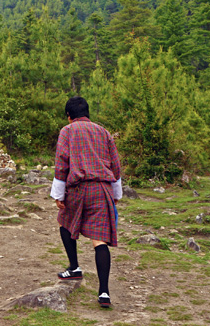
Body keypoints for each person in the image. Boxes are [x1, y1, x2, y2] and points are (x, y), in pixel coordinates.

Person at [50, 96, 122, 308]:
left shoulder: (67, 131)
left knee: (65, 223)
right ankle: (104, 292)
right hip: (102, 189)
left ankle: (74, 268)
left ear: (69, 116)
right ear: (87, 113)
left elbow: (62, 163)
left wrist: (58, 195)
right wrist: (116, 194)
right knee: (99, 241)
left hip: (78, 188)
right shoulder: (103, 132)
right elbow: (116, 165)